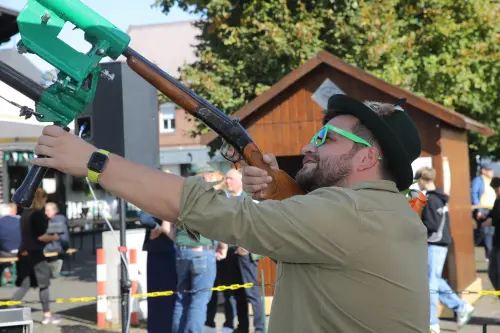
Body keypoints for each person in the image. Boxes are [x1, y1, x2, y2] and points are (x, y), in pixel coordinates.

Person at [30, 94, 430, 332]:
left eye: (326, 138)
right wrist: (272, 195)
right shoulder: (383, 212)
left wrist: (93, 162)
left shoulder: (352, 212)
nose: (310, 146)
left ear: (369, 157)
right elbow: (312, 260)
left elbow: (203, 209)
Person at [415, 167, 474, 333]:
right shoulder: (439, 198)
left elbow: (432, 225)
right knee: (435, 280)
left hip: (434, 244)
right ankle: (461, 307)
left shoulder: (431, 200)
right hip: (439, 244)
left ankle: (433, 323)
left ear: (422, 180)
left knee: (431, 284)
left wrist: (416, 227)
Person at [11, 188, 61, 325]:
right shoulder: (37, 215)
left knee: (24, 285)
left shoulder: (25, 214)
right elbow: (40, 236)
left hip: (24, 253)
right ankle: (47, 315)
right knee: (44, 284)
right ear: (42, 199)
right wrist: (54, 237)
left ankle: (9, 309)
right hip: (35, 254)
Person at [139, 210, 177, 333]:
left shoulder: (152, 194)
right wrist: (159, 228)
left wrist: (157, 228)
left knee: (155, 296)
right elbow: (145, 218)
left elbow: (145, 218)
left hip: (155, 248)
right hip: (170, 248)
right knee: (171, 296)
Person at [471, 162, 496, 260]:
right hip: (483, 209)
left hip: (491, 208)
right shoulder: (478, 180)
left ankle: (489, 253)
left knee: (489, 232)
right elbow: (474, 194)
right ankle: (488, 254)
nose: (491, 172)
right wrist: (478, 209)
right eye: (489, 170)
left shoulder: (491, 180)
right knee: (485, 231)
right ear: (483, 171)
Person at [43, 202, 71, 278]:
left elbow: (48, 234)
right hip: (59, 244)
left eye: (48, 210)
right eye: (46, 210)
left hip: (57, 246)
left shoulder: (57, 220)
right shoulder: (57, 219)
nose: (46, 212)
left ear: (54, 210)